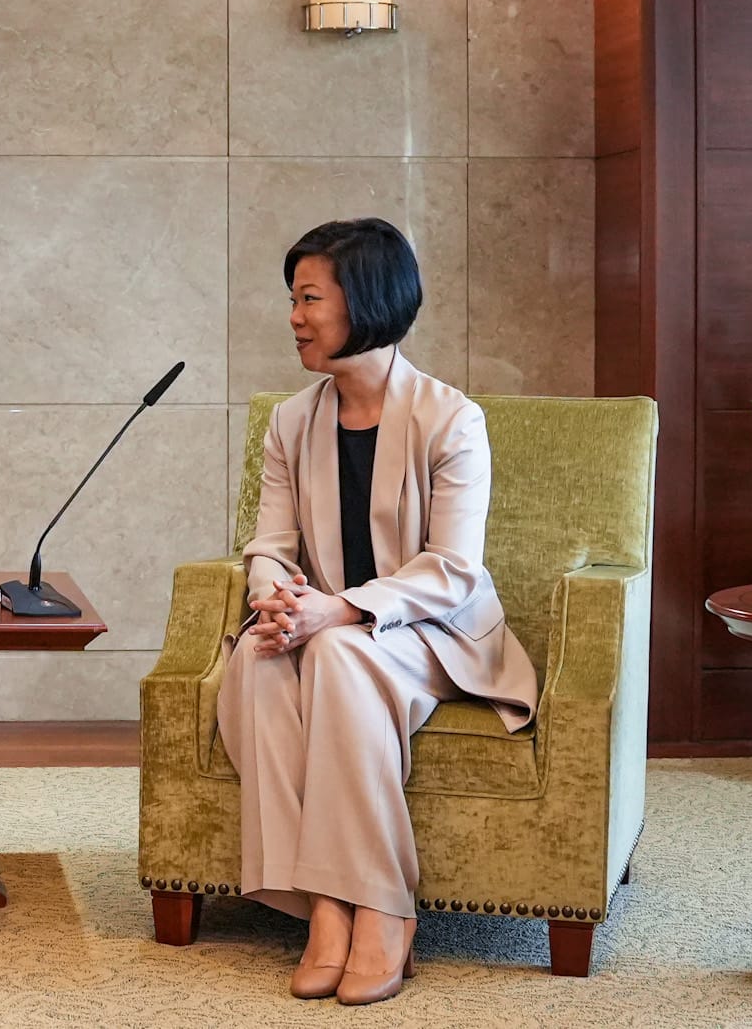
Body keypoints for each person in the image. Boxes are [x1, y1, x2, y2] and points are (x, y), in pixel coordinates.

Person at [217, 218, 538, 1006]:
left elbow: (454, 570)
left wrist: (341, 610)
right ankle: (326, 907)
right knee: (256, 663)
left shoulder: (450, 419)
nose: (293, 316)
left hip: (436, 633)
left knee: (334, 653)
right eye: (292, 298)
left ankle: (386, 908)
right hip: (326, 626)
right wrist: (277, 599)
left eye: (309, 298)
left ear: (365, 301)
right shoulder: (293, 420)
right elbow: (269, 542)